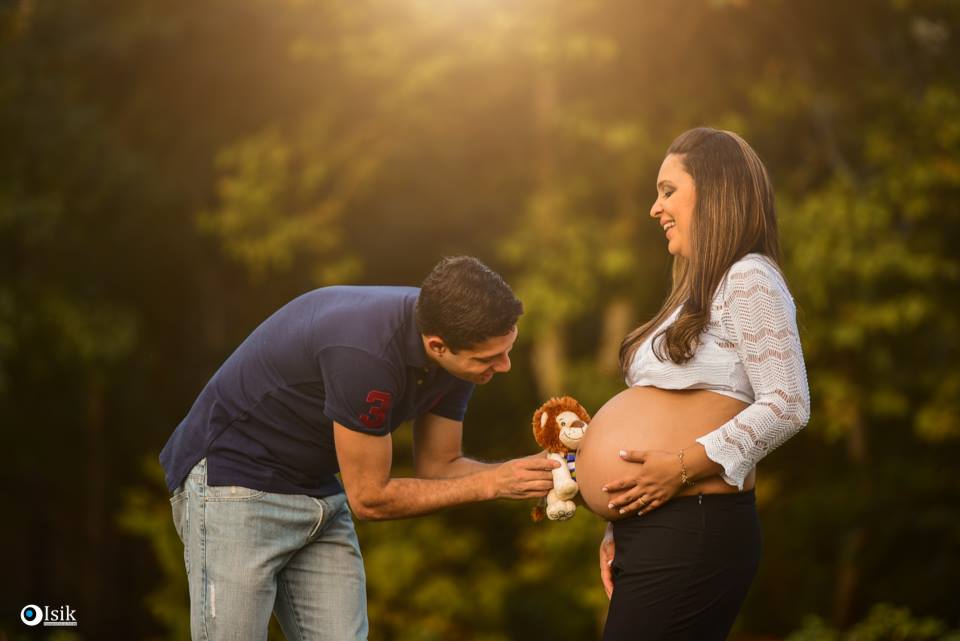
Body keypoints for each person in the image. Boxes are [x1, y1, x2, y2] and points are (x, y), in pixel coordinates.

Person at [159, 256, 558, 641]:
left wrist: (524, 472)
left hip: (316, 490)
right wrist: (493, 484)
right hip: (236, 484)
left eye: (508, 349)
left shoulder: (458, 346)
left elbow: (441, 465)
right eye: (490, 357)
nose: (505, 365)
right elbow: (369, 498)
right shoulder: (365, 352)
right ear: (438, 345)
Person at [592, 128, 811, 640]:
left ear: (713, 191)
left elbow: (788, 403)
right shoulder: (692, 293)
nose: (655, 208)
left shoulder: (749, 278)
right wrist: (618, 521)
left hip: (696, 525)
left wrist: (680, 468)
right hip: (659, 526)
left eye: (668, 190)